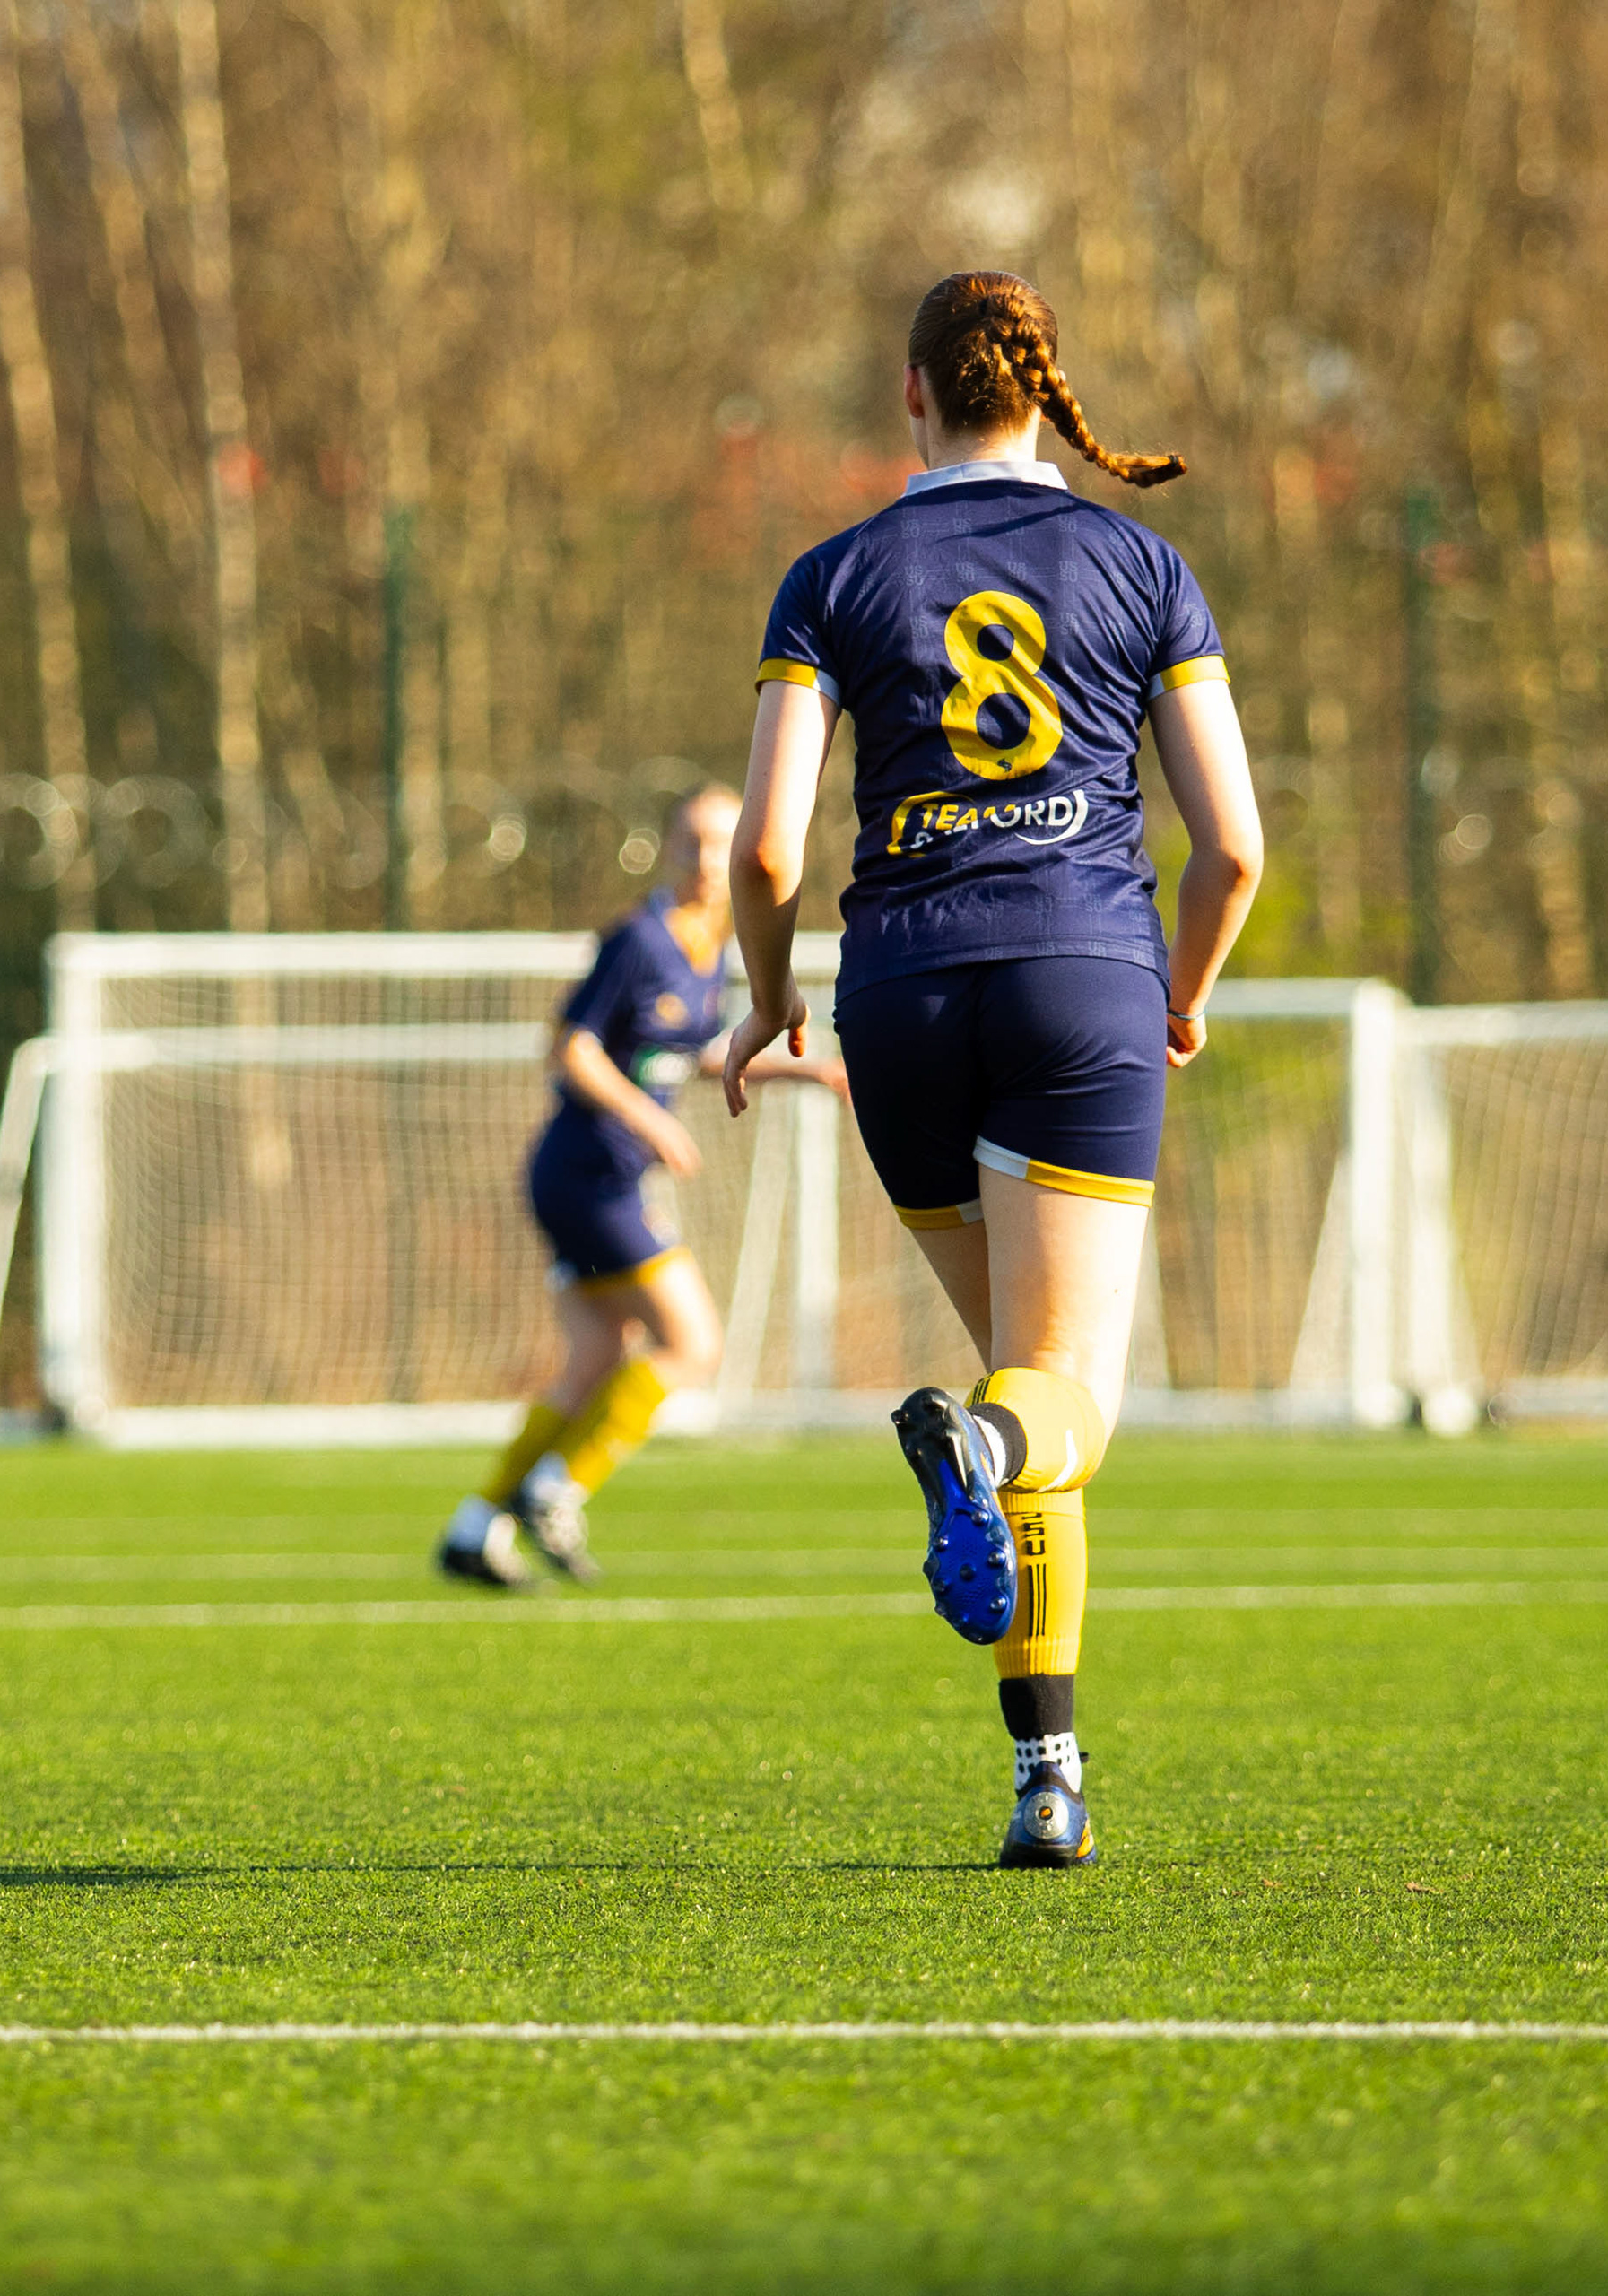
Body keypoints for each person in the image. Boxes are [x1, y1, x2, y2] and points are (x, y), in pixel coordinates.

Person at [721, 270, 1265, 1868]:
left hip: (898, 995)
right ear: (1045, 388)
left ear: (913, 394)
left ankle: (1051, 1780)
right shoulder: (1143, 562)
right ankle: (980, 1451)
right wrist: (1184, 992)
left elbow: (765, 848)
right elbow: (1231, 847)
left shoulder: (828, 576)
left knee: (1028, 1383)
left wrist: (768, 1003)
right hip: (1081, 979)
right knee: (1053, 1405)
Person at [436, 785, 847, 1588]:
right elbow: (571, 1050)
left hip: (593, 1179)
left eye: (720, 843)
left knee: (595, 1356)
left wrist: (814, 1071)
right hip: (590, 1177)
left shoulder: (712, 945)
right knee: (691, 1344)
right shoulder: (640, 939)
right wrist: (652, 1123)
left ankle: (474, 1525)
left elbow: (689, 1052)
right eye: (690, 840)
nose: (704, 859)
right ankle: (553, 1489)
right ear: (665, 847)